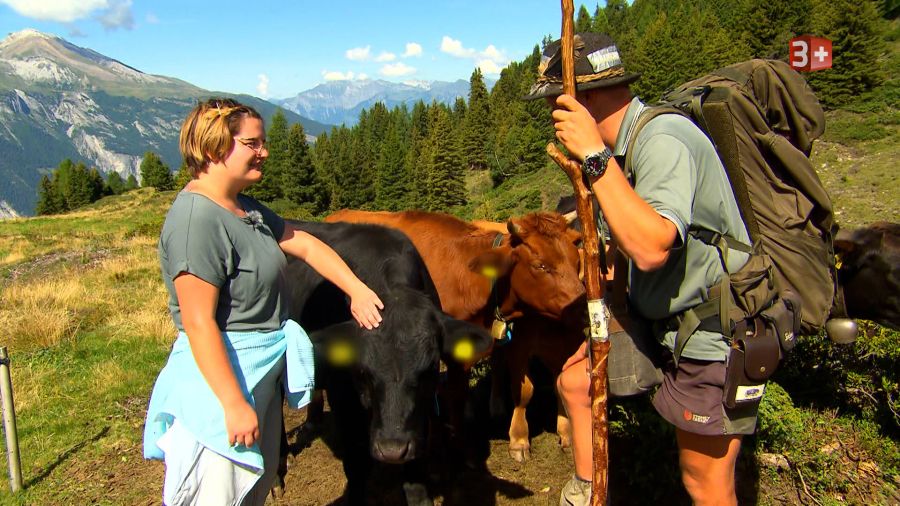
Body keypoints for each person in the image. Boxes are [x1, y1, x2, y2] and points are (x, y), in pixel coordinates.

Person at [524, 34, 753, 506]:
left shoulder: (661, 139)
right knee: (574, 376)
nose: (552, 117)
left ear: (580, 99)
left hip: (712, 330)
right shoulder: (624, 149)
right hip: (662, 319)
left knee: (704, 484)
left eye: (555, 103)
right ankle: (589, 488)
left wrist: (593, 155)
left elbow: (650, 249)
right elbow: (623, 250)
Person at [143, 98, 384, 506]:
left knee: (252, 489)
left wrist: (356, 288)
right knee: (217, 493)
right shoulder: (196, 222)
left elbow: (302, 242)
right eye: (252, 143)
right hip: (221, 385)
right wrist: (234, 403)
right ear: (213, 148)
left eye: (263, 142)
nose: (265, 152)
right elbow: (199, 323)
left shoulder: (243, 208)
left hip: (258, 372)